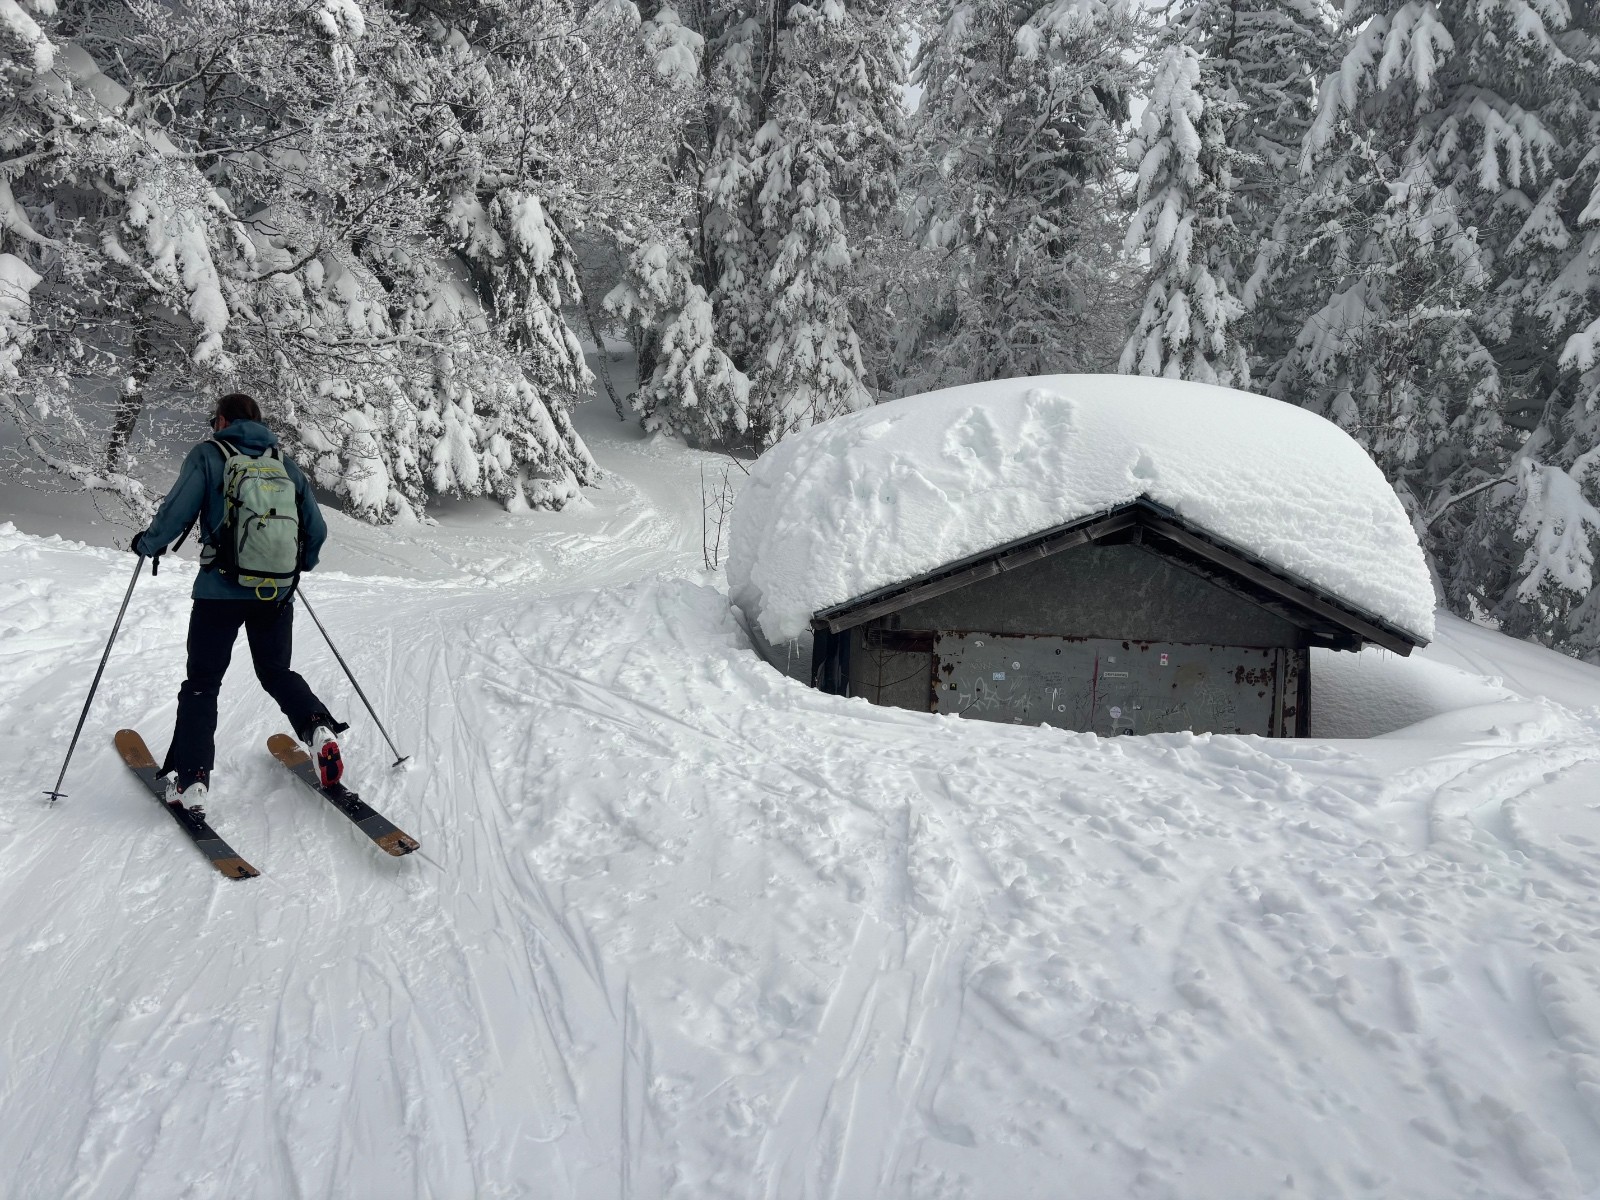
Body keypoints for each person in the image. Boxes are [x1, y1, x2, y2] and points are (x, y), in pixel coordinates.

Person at [132, 392, 347, 806]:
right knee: (275, 671)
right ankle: (318, 727)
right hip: (276, 593)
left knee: (202, 684)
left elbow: (176, 512)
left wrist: (149, 544)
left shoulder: (209, 455)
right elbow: (316, 530)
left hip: (218, 593)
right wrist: (295, 567)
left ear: (222, 420)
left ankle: (193, 781)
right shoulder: (283, 462)